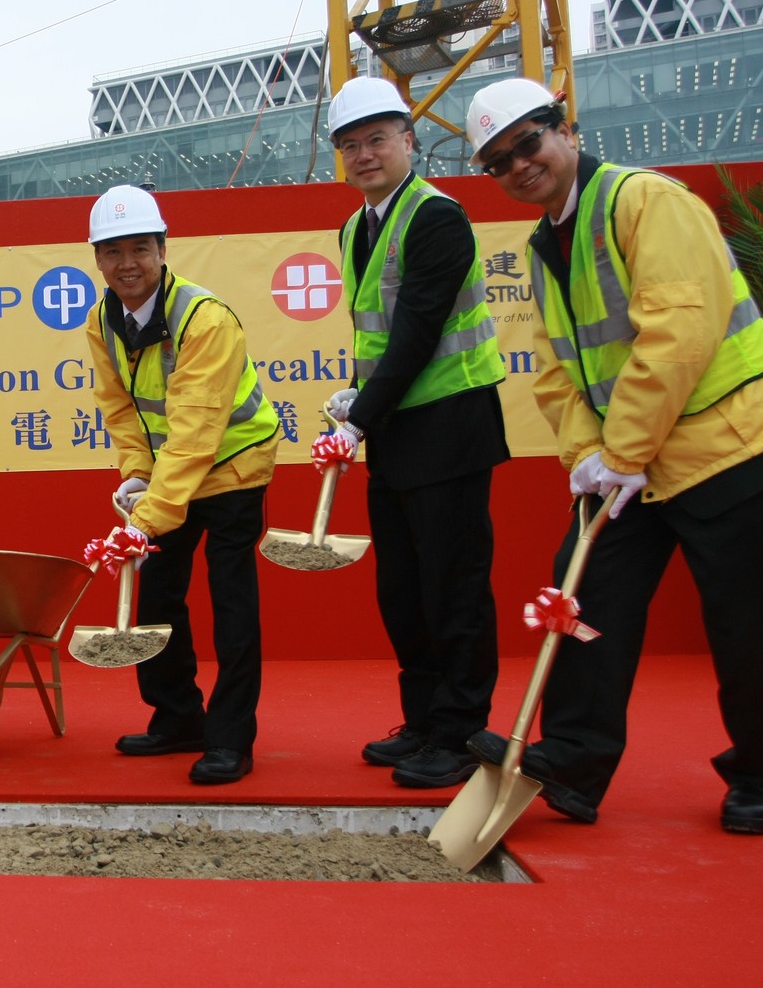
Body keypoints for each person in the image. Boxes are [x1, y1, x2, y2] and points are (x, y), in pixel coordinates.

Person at [464, 77, 763, 833]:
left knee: (745, 626)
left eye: (530, 141)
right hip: (631, 467)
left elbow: (678, 336)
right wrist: (589, 456)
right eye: (499, 160)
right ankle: (575, 763)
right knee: (582, 602)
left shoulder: (646, 201)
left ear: (565, 129)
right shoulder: (544, 243)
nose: (521, 164)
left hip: (731, 448)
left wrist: (623, 450)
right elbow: (559, 368)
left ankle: (758, 774)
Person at [320, 77, 510, 789]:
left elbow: (421, 327)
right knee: (403, 588)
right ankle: (425, 718)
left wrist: (360, 416)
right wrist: (359, 396)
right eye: (349, 144)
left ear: (409, 140)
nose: (363, 154)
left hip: (452, 424)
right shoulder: (357, 225)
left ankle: (461, 731)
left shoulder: (437, 217)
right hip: (399, 429)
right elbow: (380, 335)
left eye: (376, 138)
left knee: (453, 586)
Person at [84, 184, 280, 785]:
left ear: (164, 250)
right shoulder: (102, 319)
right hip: (170, 476)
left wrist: (144, 520)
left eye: (139, 249)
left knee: (231, 604)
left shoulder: (205, 318)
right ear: (97, 259)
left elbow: (196, 427)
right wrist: (137, 475)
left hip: (234, 467)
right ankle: (177, 718)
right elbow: (121, 408)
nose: (127, 265)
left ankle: (230, 739)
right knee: (159, 595)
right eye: (112, 252)